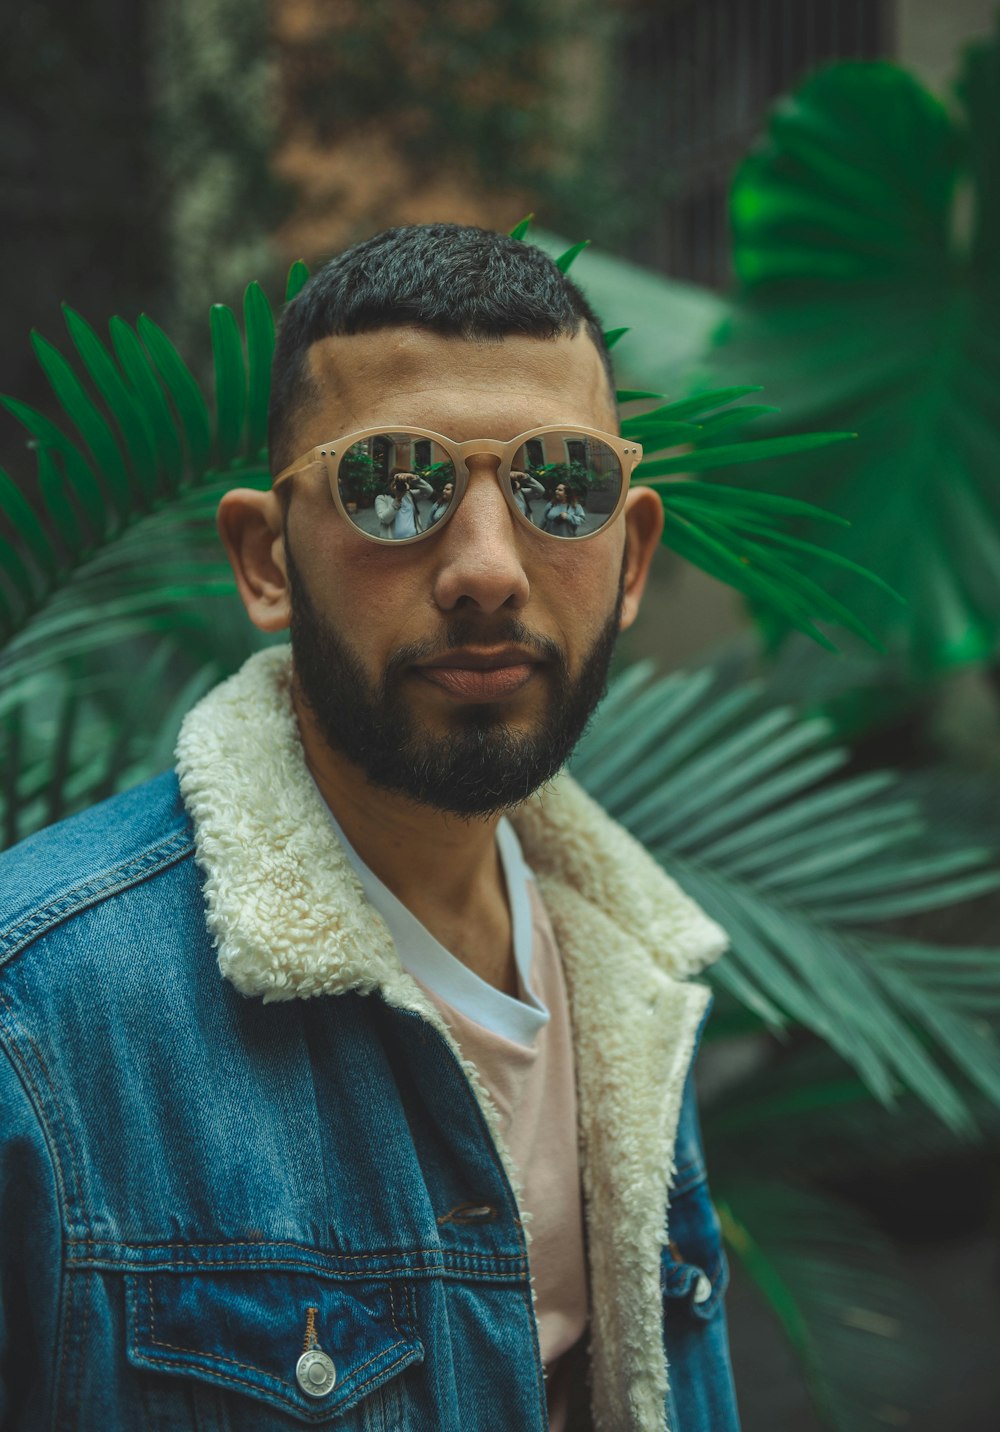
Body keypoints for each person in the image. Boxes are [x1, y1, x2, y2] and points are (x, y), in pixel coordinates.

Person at [0, 224, 739, 1431]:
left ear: (631, 553)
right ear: (266, 558)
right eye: (396, 482)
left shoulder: (638, 974)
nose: (488, 568)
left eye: (561, 483)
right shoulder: (40, 1025)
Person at [375, 468, 436, 538]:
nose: (400, 485)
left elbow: (429, 491)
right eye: (397, 482)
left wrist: (414, 478)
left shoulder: (410, 495)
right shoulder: (382, 498)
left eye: (404, 482)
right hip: (394, 543)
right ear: (390, 482)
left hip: (413, 539)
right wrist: (398, 499)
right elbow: (385, 519)